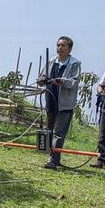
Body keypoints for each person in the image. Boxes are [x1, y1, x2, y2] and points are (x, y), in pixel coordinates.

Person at [36, 36, 81, 170]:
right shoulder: (51, 61)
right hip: (51, 99)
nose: (60, 48)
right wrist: (42, 80)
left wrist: (60, 81)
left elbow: (74, 81)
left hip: (65, 102)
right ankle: (53, 157)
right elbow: (43, 76)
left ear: (69, 48)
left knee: (59, 132)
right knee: (49, 130)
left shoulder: (74, 63)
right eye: (58, 45)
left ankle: (53, 160)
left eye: (63, 46)